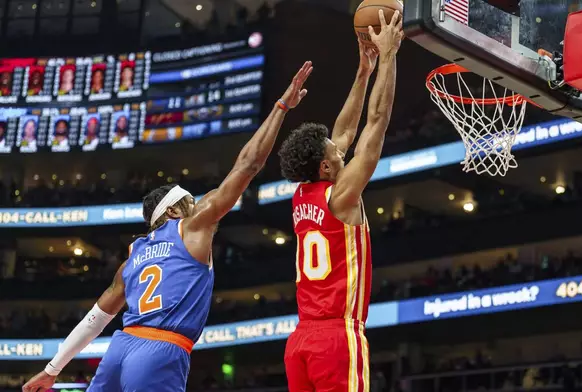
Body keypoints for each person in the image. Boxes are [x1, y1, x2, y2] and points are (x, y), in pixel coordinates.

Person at [21, 60, 312, 392]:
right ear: (174, 208)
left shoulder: (134, 253)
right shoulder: (192, 226)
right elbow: (249, 164)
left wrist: (52, 369)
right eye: (189, 200)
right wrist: (281, 106)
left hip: (119, 350)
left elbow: (95, 319)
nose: (195, 203)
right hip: (161, 349)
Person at [279, 12, 402, 392]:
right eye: (336, 153)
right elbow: (376, 122)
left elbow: (346, 130)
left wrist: (364, 71)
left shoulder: (303, 195)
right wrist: (390, 55)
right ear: (325, 166)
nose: (341, 150)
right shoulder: (342, 195)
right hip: (337, 337)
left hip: (299, 340)